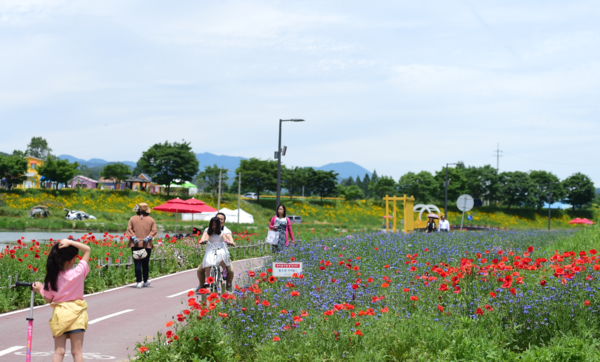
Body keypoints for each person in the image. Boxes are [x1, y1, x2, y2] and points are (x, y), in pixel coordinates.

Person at [32, 238, 91, 362]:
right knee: (77, 352)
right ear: (74, 259)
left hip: (60, 315)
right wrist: (70, 242)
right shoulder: (78, 272)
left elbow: (48, 299)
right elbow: (87, 250)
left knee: (59, 352)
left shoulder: (52, 277)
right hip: (77, 313)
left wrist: (40, 290)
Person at [197, 212, 236, 293]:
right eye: (218, 219)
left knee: (231, 270)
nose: (219, 221)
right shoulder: (208, 229)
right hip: (211, 252)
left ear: (224, 221)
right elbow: (204, 237)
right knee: (200, 270)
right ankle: (202, 285)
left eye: (221, 219)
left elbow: (229, 239)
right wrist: (202, 241)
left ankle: (229, 286)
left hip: (223, 253)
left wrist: (231, 242)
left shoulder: (226, 231)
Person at [126, 203, 158, 288]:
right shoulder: (151, 220)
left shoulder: (132, 219)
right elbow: (154, 231)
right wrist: (148, 237)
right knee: (145, 263)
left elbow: (129, 229)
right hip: (147, 244)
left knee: (137, 262)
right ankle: (146, 280)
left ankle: (138, 282)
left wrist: (134, 237)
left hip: (135, 244)